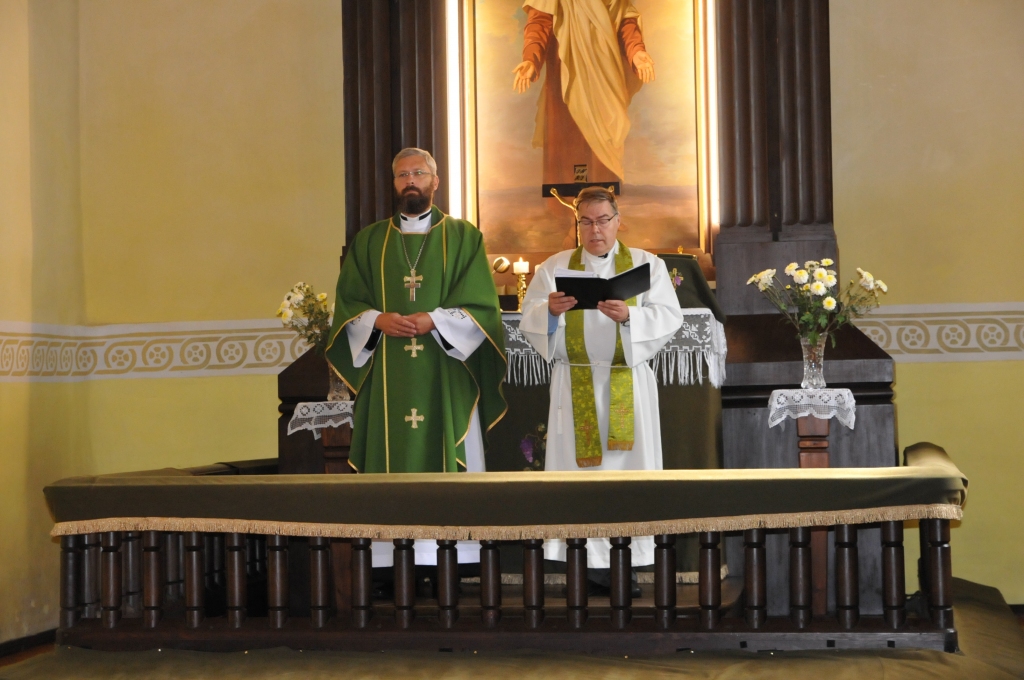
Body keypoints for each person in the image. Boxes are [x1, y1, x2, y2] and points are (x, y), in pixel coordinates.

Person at [325, 147, 507, 566]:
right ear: (393, 184)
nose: (411, 180)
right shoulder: (370, 241)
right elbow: (348, 303)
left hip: (445, 371)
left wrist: (437, 321)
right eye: (402, 174)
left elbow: (482, 307)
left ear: (435, 182)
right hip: (387, 370)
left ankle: (454, 559)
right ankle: (390, 559)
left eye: (419, 173)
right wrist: (375, 320)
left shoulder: (464, 237)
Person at [519, 186, 682, 589]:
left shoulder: (647, 266)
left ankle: (626, 564)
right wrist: (551, 314)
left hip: (628, 381)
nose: (595, 229)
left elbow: (668, 317)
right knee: (577, 480)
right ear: (577, 226)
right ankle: (581, 565)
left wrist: (630, 317)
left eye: (603, 220)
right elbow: (531, 320)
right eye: (586, 221)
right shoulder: (553, 268)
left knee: (630, 477)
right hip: (574, 382)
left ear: (618, 221)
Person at [512, 0, 655, 184]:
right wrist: (531, 59)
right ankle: (565, 205)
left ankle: (603, 205)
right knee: (570, 140)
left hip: (606, 76)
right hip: (569, 76)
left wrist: (636, 52)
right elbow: (539, 23)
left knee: (607, 136)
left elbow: (625, 24)